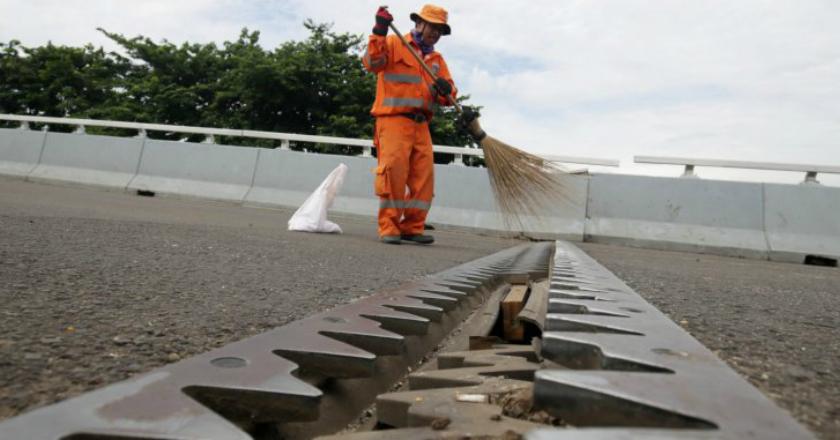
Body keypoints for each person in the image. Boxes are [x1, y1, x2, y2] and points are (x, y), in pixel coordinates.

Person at [362, 4, 457, 245]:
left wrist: (446, 90)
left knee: (423, 178)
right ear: (419, 23)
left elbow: (450, 96)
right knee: (393, 174)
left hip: (421, 125)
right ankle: (389, 227)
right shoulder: (395, 43)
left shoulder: (436, 60)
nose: (435, 33)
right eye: (432, 27)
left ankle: (412, 227)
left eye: (440, 30)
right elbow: (372, 63)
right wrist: (379, 30)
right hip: (393, 120)